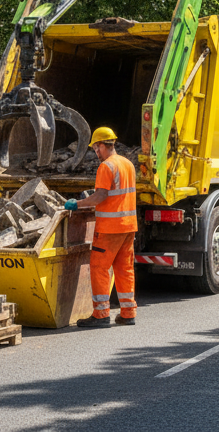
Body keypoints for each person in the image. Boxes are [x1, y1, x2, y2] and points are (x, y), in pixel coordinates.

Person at [65, 126, 137, 327]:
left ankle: (101, 314)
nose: (96, 152)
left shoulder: (106, 167)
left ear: (103, 146)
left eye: (96, 148)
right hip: (128, 226)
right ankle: (128, 312)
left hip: (109, 228)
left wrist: (77, 204)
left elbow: (100, 196)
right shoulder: (128, 164)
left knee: (99, 268)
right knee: (124, 269)